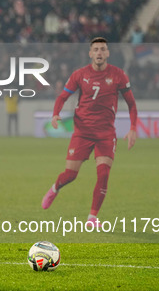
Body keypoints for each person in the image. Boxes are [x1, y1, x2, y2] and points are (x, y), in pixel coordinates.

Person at [41, 37, 137, 227]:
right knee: (70, 175)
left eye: (103, 49)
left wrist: (133, 128)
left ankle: (92, 218)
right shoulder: (80, 74)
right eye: (96, 49)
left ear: (108, 53)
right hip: (82, 131)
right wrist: (55, 114)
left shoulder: (118, 75)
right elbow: (63, 96)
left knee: (103, 174)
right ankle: (55, 188)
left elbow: (132, 104)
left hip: (106, 134)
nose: (99, 53)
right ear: (90, 53)